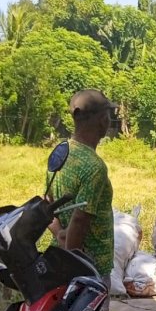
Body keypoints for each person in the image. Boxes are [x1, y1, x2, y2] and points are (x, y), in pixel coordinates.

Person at [48, 90, 115, 284]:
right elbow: (79, 220)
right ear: (103, 120)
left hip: (61, 256)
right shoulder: (95, 167)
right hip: (89, 269)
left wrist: (60, 234)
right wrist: (73, 269)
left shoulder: (62, 151)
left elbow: (47, 202)